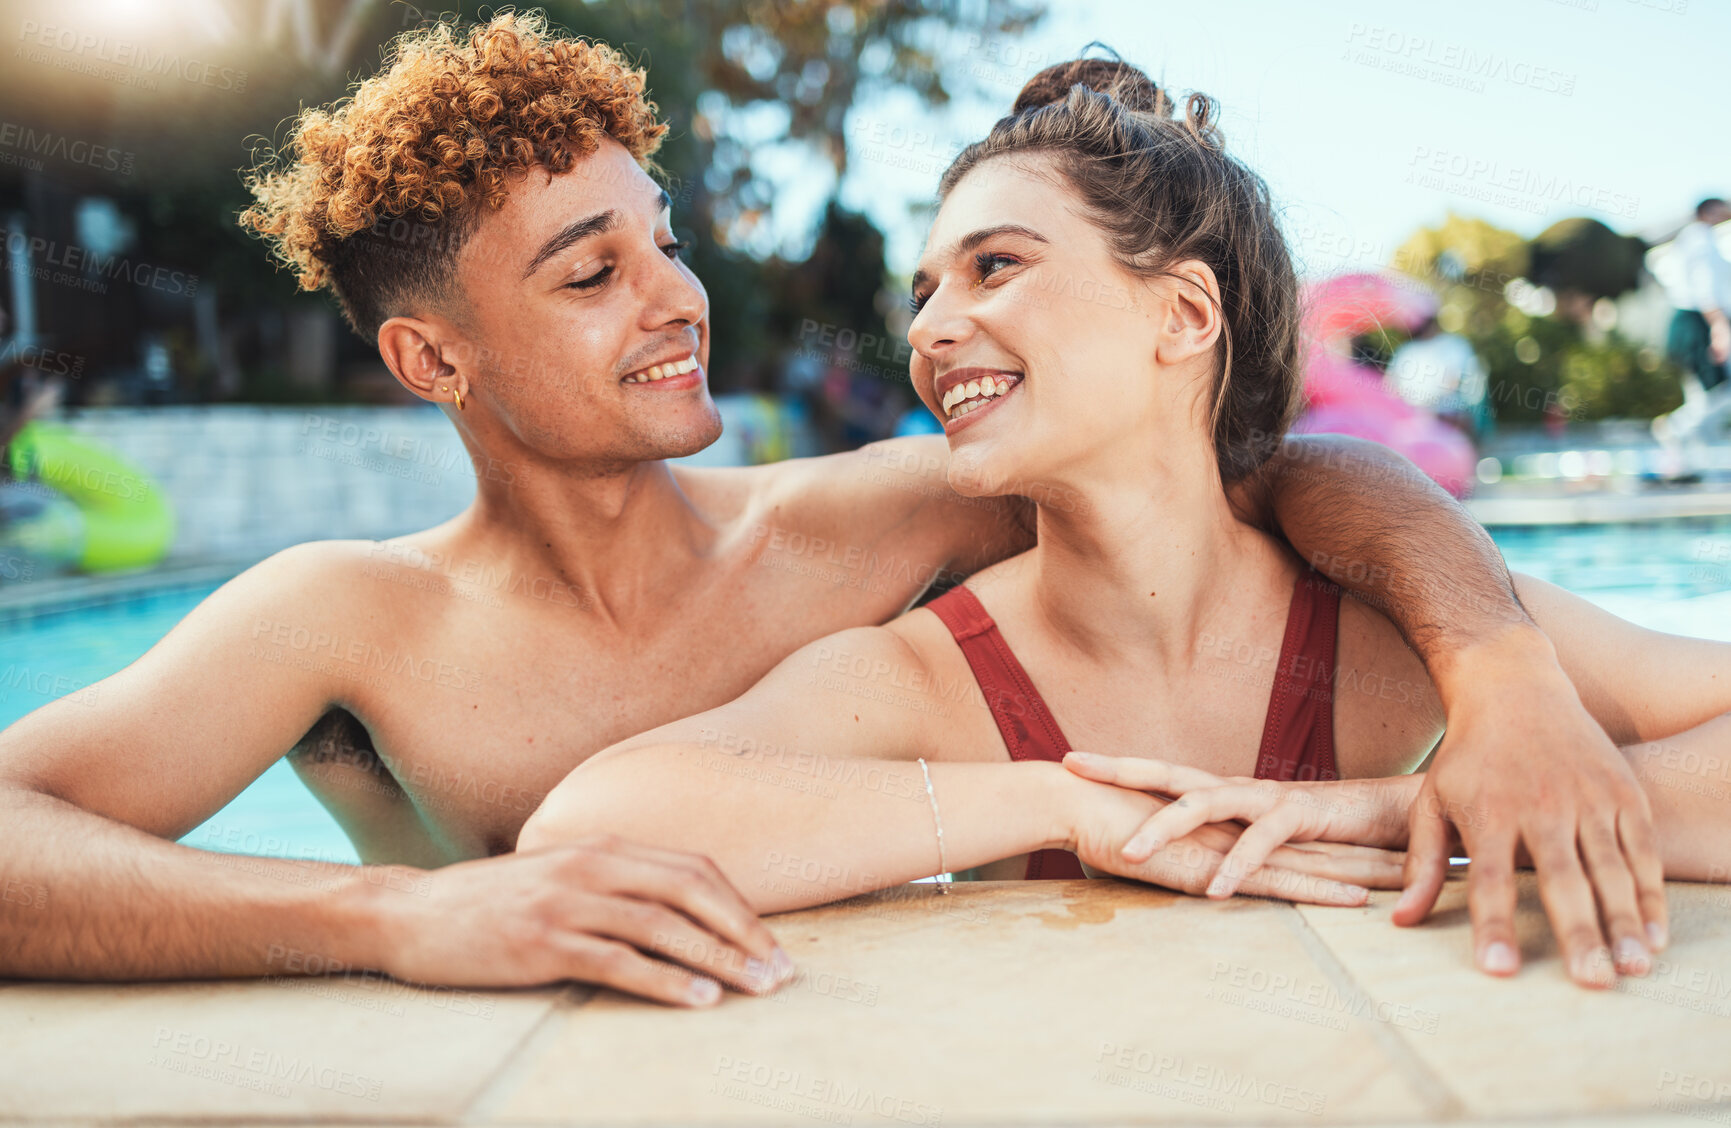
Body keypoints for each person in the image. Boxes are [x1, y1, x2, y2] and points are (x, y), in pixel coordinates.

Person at [0, 19, 1650, 1003]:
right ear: (431, 354)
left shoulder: (882, 519)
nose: (675, 296)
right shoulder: (348, 621)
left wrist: (1495, 672)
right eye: (592, 272)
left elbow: (1265, 477)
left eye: (661, 237)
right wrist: (395, 914)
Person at [518, 58, 1717, 992]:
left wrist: (1422, 804)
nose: (931, 329)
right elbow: (585, 832)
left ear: (1184, 316)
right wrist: (1066, 808)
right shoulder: (936, 680)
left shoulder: (1383, 635)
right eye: (927, 289)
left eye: (996, 267)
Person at [1652, 198, 1731, 451]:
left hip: (1695, 321)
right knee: (1716, 391)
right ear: (1707, 211)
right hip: (1698, 323)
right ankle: (1675, 429)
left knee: (1703, 394)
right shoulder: (1700, 238)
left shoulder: (1694, 239)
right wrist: (1719, 326)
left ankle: (1692, 455)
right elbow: (1704, 287)